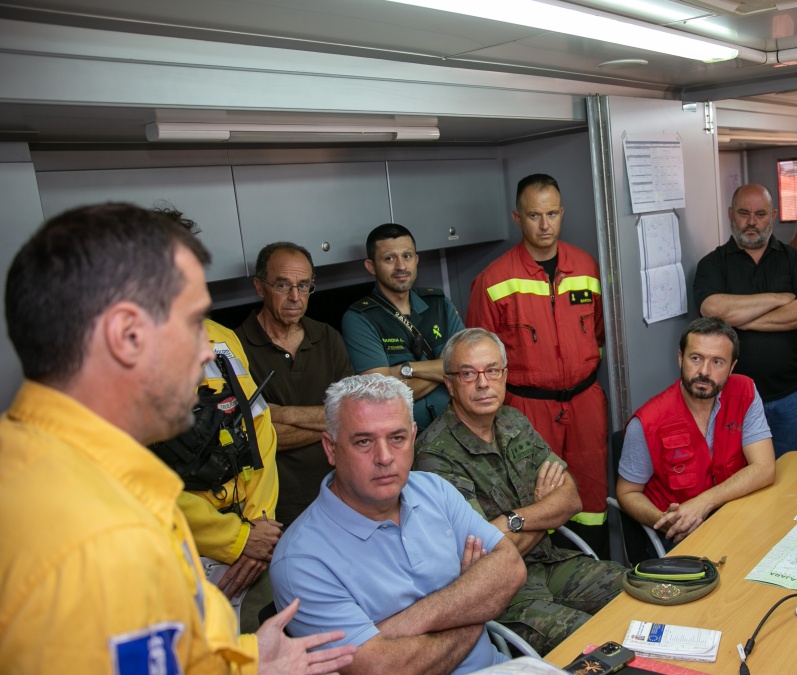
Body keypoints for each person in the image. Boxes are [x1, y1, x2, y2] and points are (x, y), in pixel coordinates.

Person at [0, 203, 354, 673]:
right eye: (191, 322)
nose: (208, 349)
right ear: (126, 336)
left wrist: (249, 664)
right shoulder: (97, 540)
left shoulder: (62, 466)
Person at [271, 374, 527, 675]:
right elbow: (386, 669)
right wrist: (474, 606)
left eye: (397, 438)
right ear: (331, 448)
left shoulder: (434, 490)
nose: (384, 457)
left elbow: (511, 567)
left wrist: (407, 624)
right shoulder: (301, 561)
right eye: (364, 441)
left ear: (414, 437)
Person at [414, 328, 625, 654]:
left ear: (505, 375)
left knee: (636, 588)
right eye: (468, 373)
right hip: (504, 594)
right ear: (450, 384)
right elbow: (487, 554)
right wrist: (544, 513)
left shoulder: (513, 421)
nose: (483, 383)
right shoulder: (434, 455)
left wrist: (514, 519)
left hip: (550, 563)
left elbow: (570, 498)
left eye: (492, 370)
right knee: (595, 642)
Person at [467, 173, 609, 533]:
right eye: (534, 216)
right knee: (535, 500)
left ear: (562, 212)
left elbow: (599, 335)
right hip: (526, 411)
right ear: (517, 218)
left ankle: (595, 577)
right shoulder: (494, 280)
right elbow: (479, 358)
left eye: (552, 214)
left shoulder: (588, 267)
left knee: (590, 498)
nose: (545, 225)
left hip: (585, 404)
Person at [616, 317, 777, 544]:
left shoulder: (745, 393)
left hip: (734, 518)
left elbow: (765, 468)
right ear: (680, 358)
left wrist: (705, 501)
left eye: (717, 362)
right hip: (679, 534)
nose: (704, 371)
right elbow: (627, 493)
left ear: (732, 367)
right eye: (695, 358)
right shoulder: (648, 422)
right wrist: (668, 521)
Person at [694, 184, 797, 454]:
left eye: (761, 214)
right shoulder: (713, 263)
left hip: (788, 393)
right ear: (731, 214)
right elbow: (712, 308)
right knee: (733, 476)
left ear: (773, 215)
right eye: (743, 213)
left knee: (787, 474)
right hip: (729, 396)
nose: (752, 222)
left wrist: (738, 319)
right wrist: (779, 298)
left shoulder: (795, 260)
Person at [171, 319, 281, 630]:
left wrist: (260, 524)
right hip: (188, 539)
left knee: (260, 640)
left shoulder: (222, 336)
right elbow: (138, 476)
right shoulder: (135, 351)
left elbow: (260, 426)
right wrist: (238, 538)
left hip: (253, 527)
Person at [235, 242, 354, 527]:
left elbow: (354, 415)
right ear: (260, 287)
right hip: (276, 511)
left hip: (342, 497)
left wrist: (280, 413)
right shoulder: (234, 346)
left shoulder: (327, 337)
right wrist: (332, 420)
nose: (295, 297)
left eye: (304, 286)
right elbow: (252, 437)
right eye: (282, 286)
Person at [342, 223, 465, 430]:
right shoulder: (359, 318)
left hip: (458, 427)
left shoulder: (439, 303)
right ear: (371, 266)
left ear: (416, 260)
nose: (401, 266)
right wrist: (446, 369)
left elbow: (466, 366)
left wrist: (405, 370)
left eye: (407, 256)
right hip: (403, 438)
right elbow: (381, 394)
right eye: (389, 258)